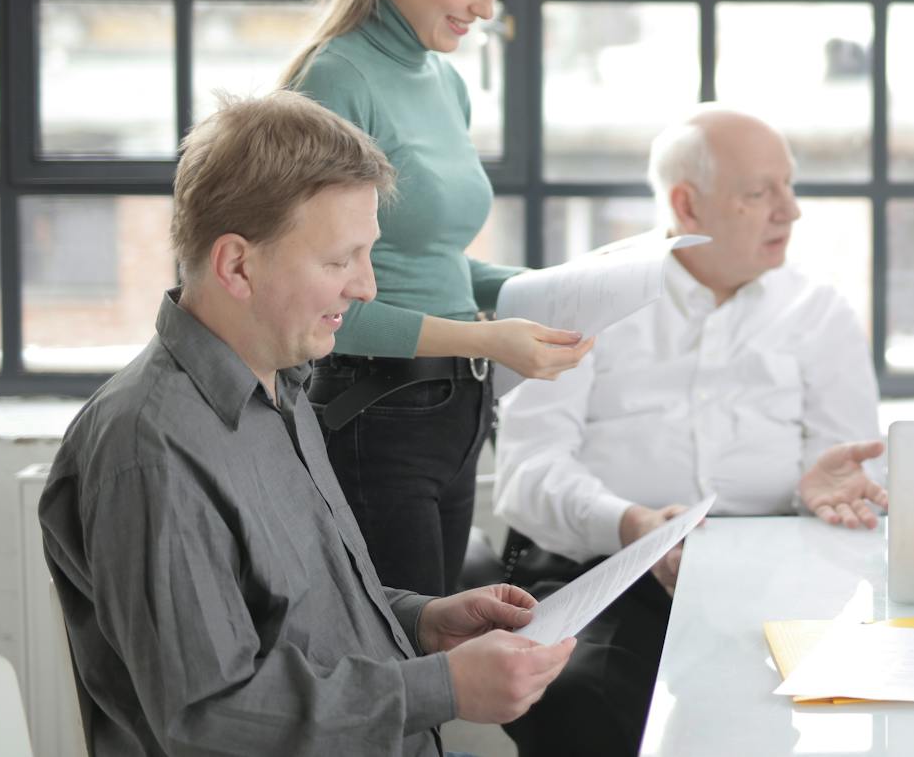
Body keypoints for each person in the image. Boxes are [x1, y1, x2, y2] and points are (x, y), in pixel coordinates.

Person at [38, 92, 578, 756]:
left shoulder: (284, 385)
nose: (367, 287)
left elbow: (295, 613)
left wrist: (421, 623)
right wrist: (438, 689)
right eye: (338, 260)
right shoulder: (148, 450)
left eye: (367, 254)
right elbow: (209, 716)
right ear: (237, 264)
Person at [493, 105, 886, 757]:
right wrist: (634, 525)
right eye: (760, 193)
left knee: (832, 710)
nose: (790, 211)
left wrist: (812, 489)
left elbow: (848, 469)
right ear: (687, 204)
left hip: (770, 575)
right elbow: (526, 475)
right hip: (609, 570)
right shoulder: (581, 296)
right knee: (574, 698)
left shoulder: (819, 312)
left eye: (788, 186)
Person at [282, 0, 591, 596]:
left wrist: (556, 288)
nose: (487, 8)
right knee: (408, 678)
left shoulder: (442, 83)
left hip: (454, 415)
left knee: (440, 671)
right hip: (377, 415)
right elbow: (326, 309)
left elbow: (434, 266)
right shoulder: (337, 83)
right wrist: (488, 335)